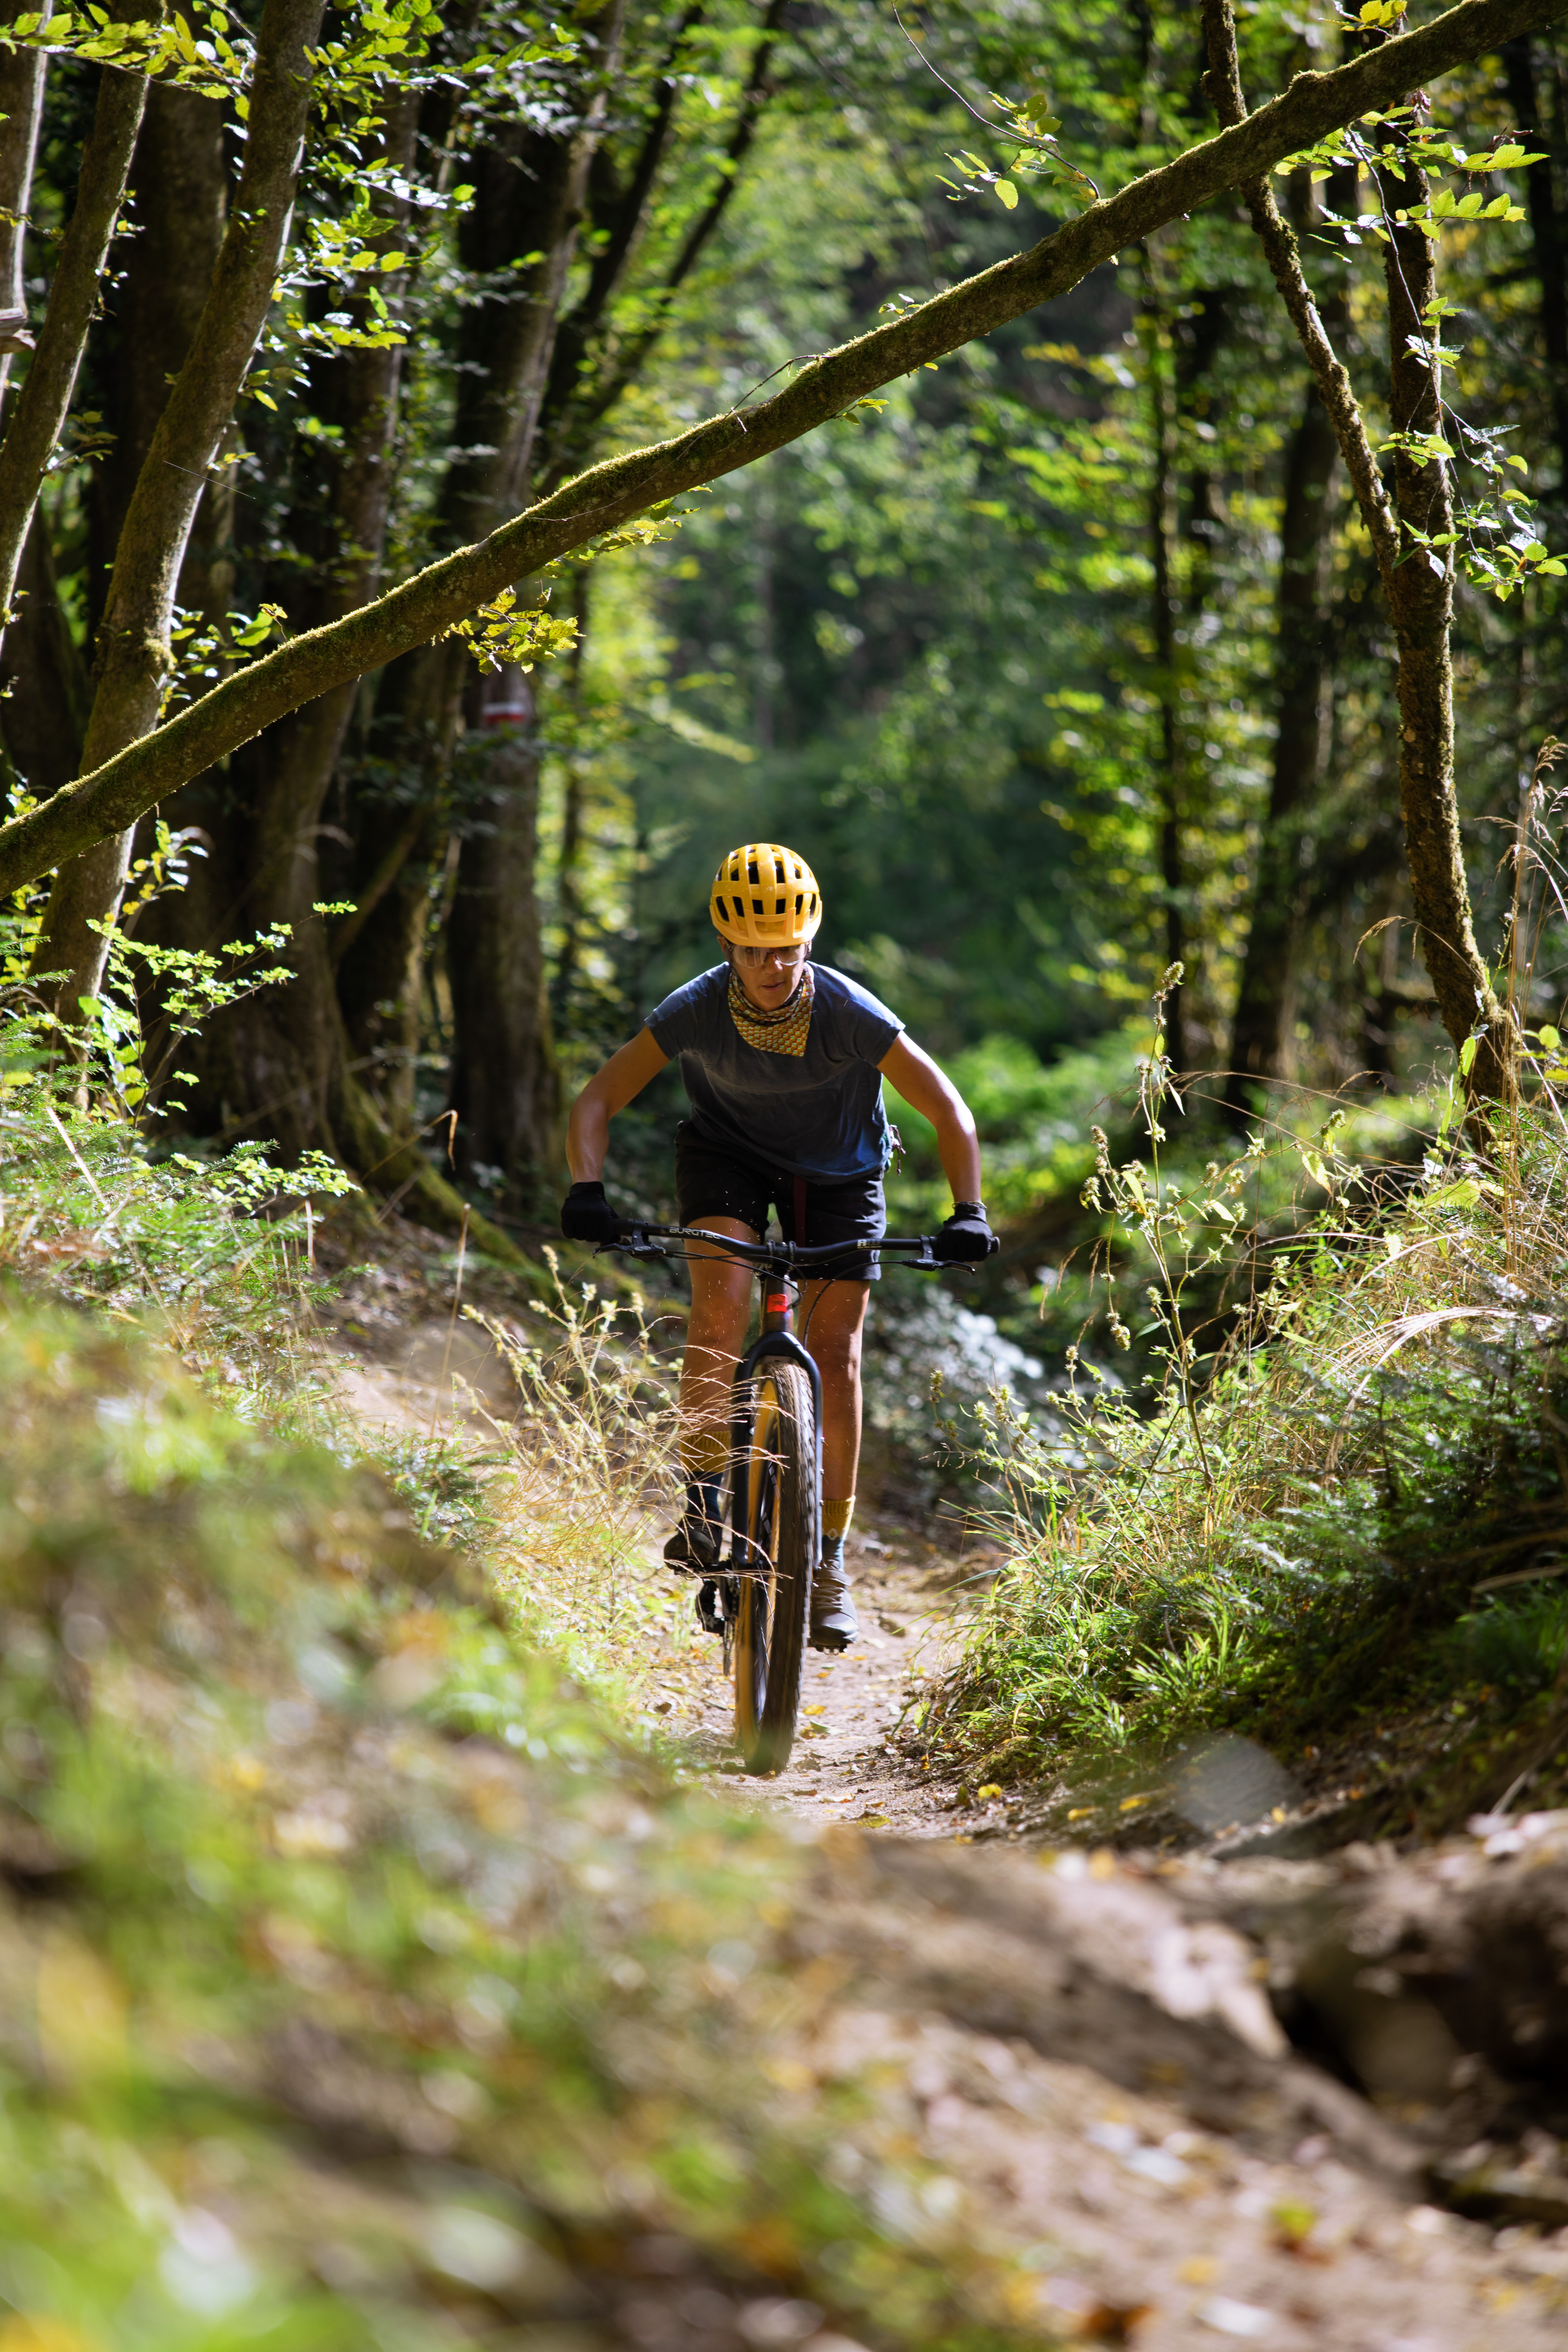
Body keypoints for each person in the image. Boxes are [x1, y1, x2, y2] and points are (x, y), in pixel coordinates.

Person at [561, 842, 996, 1652]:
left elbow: (948, 1109)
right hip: (726, 1160)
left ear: (809, 942)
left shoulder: (850, 1013)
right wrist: (586, 1189)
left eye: (787, 948)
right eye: (755, 950)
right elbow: (598, 1099)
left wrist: (967, 1208)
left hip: (840, 1174)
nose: (772, 965)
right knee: (720, 1302)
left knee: (837, 1351)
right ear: (728, 947)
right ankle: (703, 1504)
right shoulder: (695, 1008)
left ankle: (827, 1562)